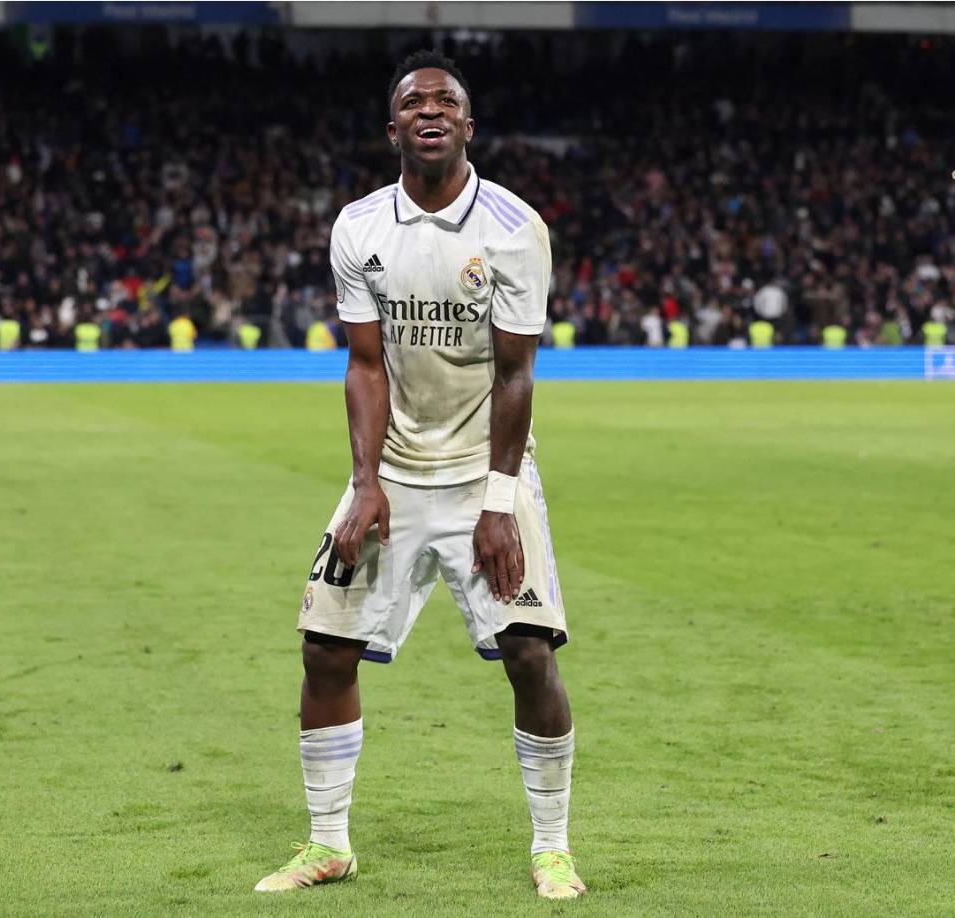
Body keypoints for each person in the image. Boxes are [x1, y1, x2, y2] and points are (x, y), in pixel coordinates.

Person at [254, 51, 583, 901]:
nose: (429, 110)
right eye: (412, 101)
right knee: (325, 648)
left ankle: (552, 847)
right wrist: (365, 484)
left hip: (486, 471)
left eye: (447, 101)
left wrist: (499, 502)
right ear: (393, 127)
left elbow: (516, 376)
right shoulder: (359, 226)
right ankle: (328, 844)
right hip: (393, 474)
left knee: (528, 653)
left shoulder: (513, 228)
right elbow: (366, 365)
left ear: (469, 126)